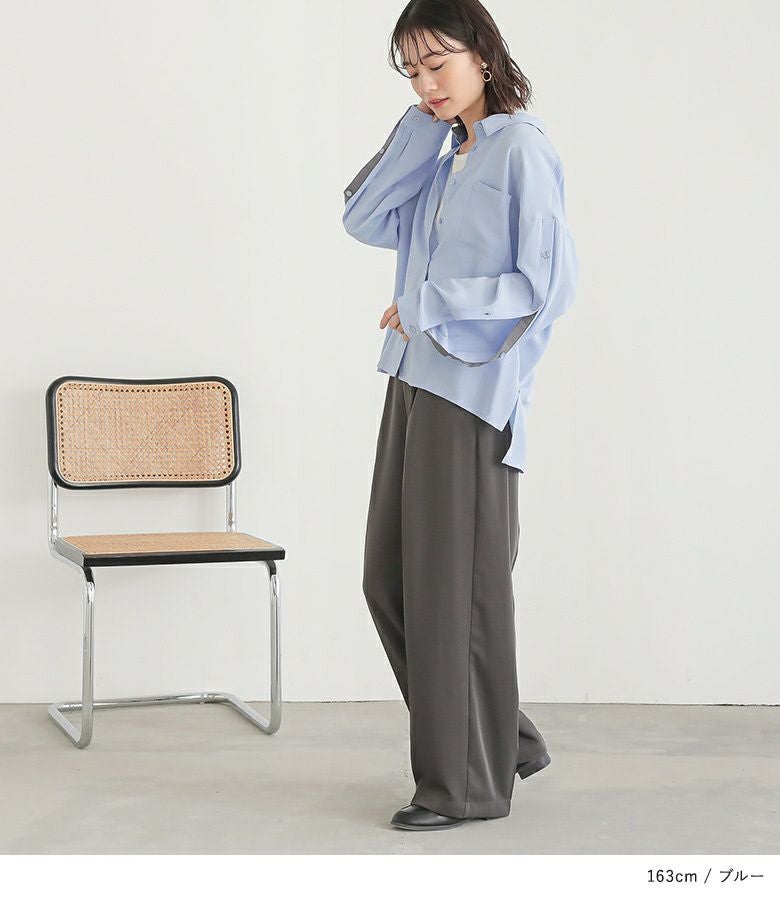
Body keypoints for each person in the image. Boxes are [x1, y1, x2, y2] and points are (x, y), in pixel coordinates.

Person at [342, 0, 578, 831]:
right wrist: (421, 129)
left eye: (437, 64)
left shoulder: (522, 150)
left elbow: (545, 287)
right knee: (389, 580)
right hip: (412, 384)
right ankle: (502, 739)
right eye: (411, 71)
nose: (425, 84)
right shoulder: (443, 160)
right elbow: (361, 218)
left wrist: (430, 302)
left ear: (483, 53)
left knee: (454, 592)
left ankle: (464, 787)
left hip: (473, 395)